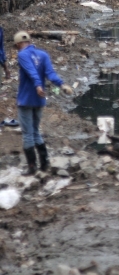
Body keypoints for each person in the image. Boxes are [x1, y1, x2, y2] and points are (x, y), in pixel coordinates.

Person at [15, 31, 73, 174]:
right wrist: (62, 84)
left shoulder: (22, 55)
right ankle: (45, 164)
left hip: (27, 98)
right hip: (39, 99)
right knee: (36, 131)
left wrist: (37, 85)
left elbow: (30, 71)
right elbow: (50, 74)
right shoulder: (43, 54)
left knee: (28, 133)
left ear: (18, 44)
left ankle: (32, 167)